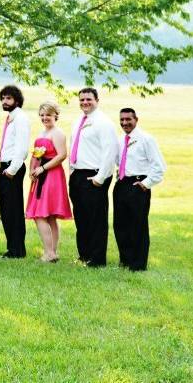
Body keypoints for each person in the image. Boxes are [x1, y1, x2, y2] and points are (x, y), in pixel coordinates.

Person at [67, 87, 118, 267]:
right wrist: (72, 171)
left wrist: (100, 177)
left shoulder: (103, 122)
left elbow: (109, 151)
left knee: (96, 219)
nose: (85, 103)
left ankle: (97, 260)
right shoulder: (79, 121)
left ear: (97, 100)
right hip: (78, 174)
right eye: (82, 100)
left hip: (94, 176)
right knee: (81, 218)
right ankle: (84, 255)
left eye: (88, 99)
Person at [113, 108, 165, 271]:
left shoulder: (146, 139)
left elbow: (159, 167)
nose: (124, 123)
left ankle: (138, 264)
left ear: (136, 119)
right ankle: (125, 260)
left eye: (128, 119)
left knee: (138, 225)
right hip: (121, 185)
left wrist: (146, 183)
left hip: (138, 186)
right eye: (122, 120)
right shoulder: (121, 140)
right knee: (120, 225)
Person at [25, 102, 73, 263]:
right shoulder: (43, 132)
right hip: (41, 175)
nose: (45, 118)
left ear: (55, 116)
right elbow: (36, 154)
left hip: (51, 177)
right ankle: (52, 252)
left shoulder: (58, 133)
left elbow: (61, 155)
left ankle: (49, 252)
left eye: (48, 115)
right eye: (42, 115)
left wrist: (43, 168)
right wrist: (32, 169)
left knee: (41, 214)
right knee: (49, 216)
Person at [0, 85, 30, 258]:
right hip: (5, 166)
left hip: (12, 168)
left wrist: (13, 169)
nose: (5, 101)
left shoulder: (20, 118)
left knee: (13, 210)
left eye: (8, 98)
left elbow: (22, 147)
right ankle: (12, 248)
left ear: (17, 100)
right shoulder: (10, 118)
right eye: (3, 98)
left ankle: (17, 250)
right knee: (6, 209)